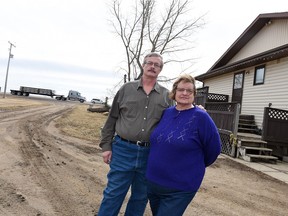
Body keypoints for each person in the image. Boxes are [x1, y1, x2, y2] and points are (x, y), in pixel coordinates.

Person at [97, 52, 173, 216]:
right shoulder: (126, 89)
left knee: (140, 197)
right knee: (113, 194)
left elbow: (178, 116)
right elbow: (112, 118)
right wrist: (106, 146)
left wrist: (197, 109)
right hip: (123, 150)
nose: (152, 66)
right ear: (143, 66)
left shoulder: (167, 96)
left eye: (156, 65)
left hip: (150, 154)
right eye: (149, 63)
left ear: (160, 69)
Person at [146, 74, 221, 216]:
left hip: (179, 188)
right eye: (181, 90)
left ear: (194, 94)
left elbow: (214, 149)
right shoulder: (166, 113)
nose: (185, 93)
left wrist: (193, 166)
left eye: (189, 91)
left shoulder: (201, 117)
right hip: (153, 182)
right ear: (174, 92)